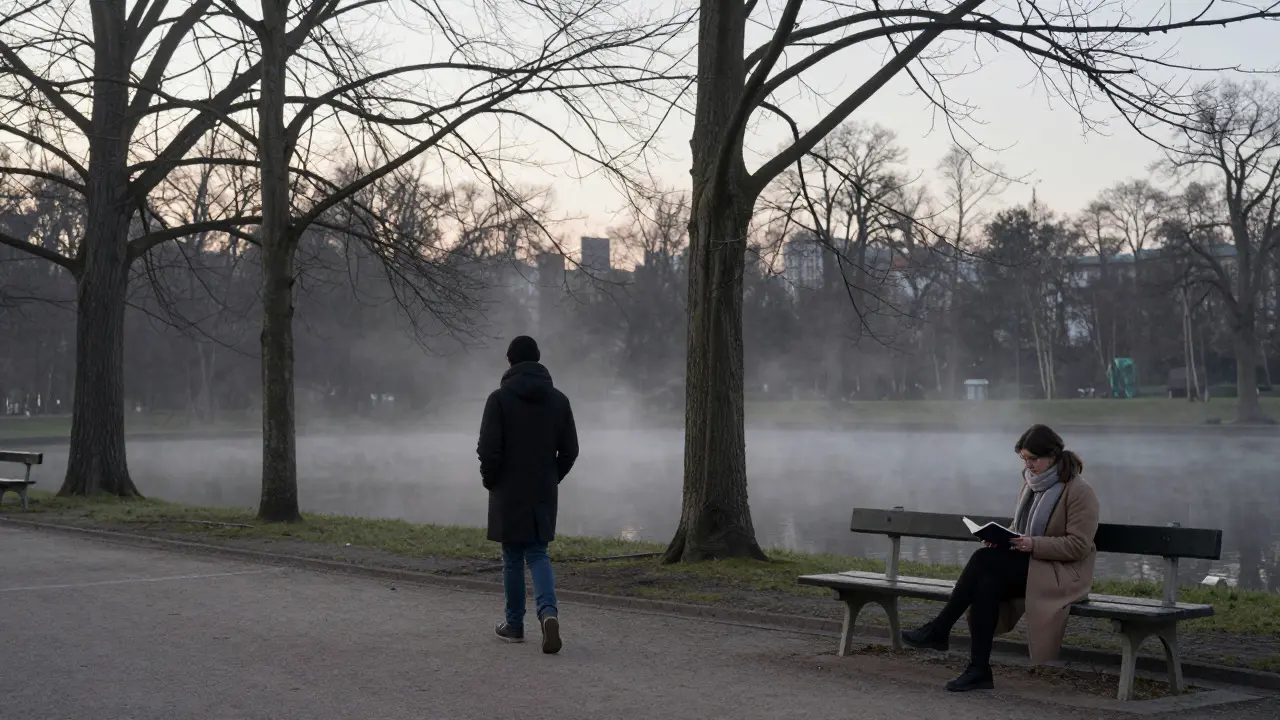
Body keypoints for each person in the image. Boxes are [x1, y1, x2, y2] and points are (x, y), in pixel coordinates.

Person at [900, 424, 1100, 692]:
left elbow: (1078, 546)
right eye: (1024, 459)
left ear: (1052, 455)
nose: (1028, 465)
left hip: (1063, 575)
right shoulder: (1031, 485)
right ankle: (978, 669)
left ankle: (940, 629)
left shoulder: (1078, 491)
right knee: (986, 582)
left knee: (984, 562)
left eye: (1033, 459)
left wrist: (1031, 544)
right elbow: (1023, 532)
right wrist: (1004, 540)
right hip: (1034, 564)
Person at [477, 335, 578, 654]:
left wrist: (491, 480)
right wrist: (551, 477)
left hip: (508, 489)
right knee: (538, 553)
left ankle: (515, 626)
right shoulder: (559, 400)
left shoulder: (499, 399)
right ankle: (548, 613)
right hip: (542, 489)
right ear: (537, 361)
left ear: (510, 362)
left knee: (512, 557)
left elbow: (488, 450)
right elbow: (571, 450)